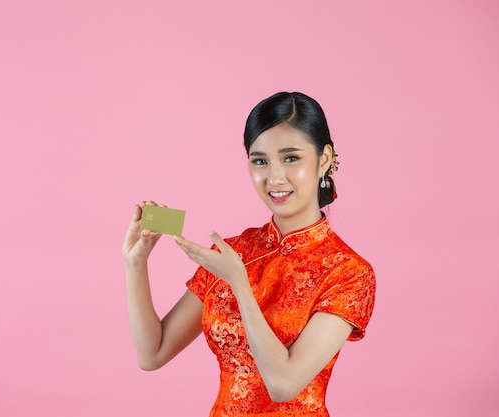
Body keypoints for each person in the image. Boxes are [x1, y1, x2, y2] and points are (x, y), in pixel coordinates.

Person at [122, 91, 376, 417]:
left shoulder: (349, 273)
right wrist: (135, 263)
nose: (274, 177)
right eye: (260, 161)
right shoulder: (233, 252)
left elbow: (283, 384)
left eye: (291, 158)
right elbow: (152, 354)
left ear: (324, 159)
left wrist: (239, 283)